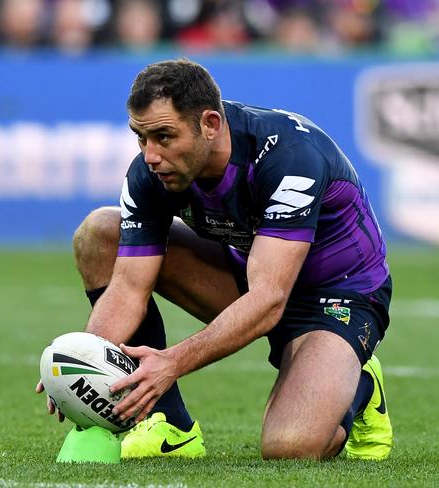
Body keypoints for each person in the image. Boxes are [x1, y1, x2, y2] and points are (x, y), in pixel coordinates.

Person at [38, 58, 393, 460]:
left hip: (339, 297)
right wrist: (82, 363)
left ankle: (359, 383)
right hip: (253, 276)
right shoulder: (151, 173)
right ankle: (169, 426)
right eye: (140, 137)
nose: (150, 155)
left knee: (289, 447)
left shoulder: (290, 156)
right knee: (101, 232)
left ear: (209, 124)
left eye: (163, 136)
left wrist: (172, 362)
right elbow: (128, 288)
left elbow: (270, 298)